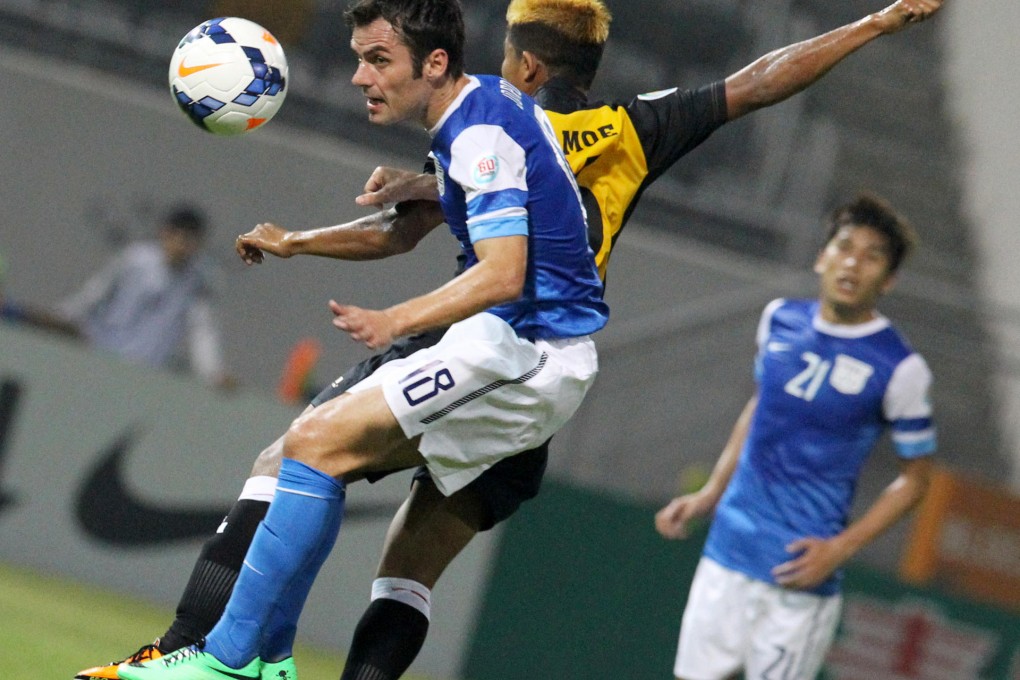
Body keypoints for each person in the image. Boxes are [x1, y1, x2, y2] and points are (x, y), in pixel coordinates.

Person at [75, 0, 945, 678]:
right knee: (410, 566)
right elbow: (759, 79)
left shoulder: (491, 123)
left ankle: (195, 650)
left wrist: (395, 285)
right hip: (537, 375)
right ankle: (236, 657)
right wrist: (873, 22)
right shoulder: (630, 129)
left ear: (522, 62)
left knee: (290, 459)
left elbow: (468, 241)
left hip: (489, 338)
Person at [119, 0, 607, 678]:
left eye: (378, 60)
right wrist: (299, 242)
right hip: (515, 347)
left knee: (316, 445)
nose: (359, 77)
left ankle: (226, 663)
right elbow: (402, 228)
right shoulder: (481, 106)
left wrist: (396, 321)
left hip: (529, 352)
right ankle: (265, 660)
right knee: (316, 448)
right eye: (358, 59)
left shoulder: (476, 136)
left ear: (434, 63)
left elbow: (504, 272)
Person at [654, 193, 936, 680]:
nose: (853, 263)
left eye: (873, 257)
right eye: (845, 247)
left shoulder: (901, 368)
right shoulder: (779, 318)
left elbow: (915, 480)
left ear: (888, 280)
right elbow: (761, 406)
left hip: (797, 576)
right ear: (822, 256)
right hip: (727, 553)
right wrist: (711, 494)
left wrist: (841, 548)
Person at [56, 206, 235, 390]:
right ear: (165, 233)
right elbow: (95, 293)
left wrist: (214, 374)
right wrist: (61, 316)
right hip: (102, 355)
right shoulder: (137, 260)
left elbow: (203, 332)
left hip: (145, 372)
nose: (183, 246)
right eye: (179, 237)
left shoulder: (199, 282)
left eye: (191, 241)